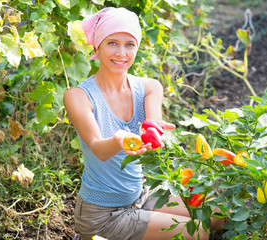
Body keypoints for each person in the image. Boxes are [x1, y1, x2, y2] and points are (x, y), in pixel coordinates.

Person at [64, 7, 223, 240]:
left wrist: (154, 131)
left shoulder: (149, 87)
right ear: (97, 46)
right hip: (104, 216)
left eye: (130, 44)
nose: (121, 53)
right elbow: (98, 147)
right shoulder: (78, 96)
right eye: (112, 43)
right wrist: (119, 141)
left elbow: (152, 129)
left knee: (219, 214)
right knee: (197, 233)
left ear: (137, 47)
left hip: (141, 195)